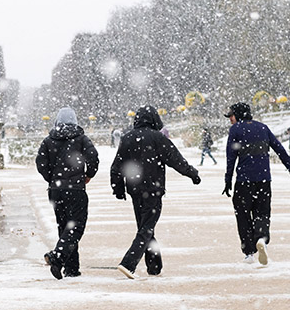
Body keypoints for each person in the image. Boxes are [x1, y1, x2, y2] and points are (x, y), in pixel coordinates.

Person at [111, 105, 201, 279]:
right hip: (153, 189)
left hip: (135, 190)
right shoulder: (157, 138)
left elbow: (116, 166)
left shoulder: (128, 138)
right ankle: (129, 263)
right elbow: (175, 159)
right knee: (146, 228)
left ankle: (154, 266)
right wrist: (192, 173)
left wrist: (118, 188)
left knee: (145, 227)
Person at [222, 102, 290, 265]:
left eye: (231, 116)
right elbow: (279, 149)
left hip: (244, 181)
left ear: (238, 115)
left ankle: (249, 252)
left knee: (243, 215)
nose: (230, 119)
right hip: (264, 180)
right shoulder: (263, 128)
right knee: (262, 212)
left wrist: (228, 180)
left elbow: (231, 157)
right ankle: (262, 238)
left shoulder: (235, 130)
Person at [36, 107, 99, 280]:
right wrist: (88, 175)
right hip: (76, 190)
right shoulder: (81, 139)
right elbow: (93, 157)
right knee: (76, 226)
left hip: (56, 191)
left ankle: (72, 268)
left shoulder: (49, 140)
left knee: (64, 227)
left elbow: (41, 163)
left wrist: (53, 179)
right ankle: (58, 257)